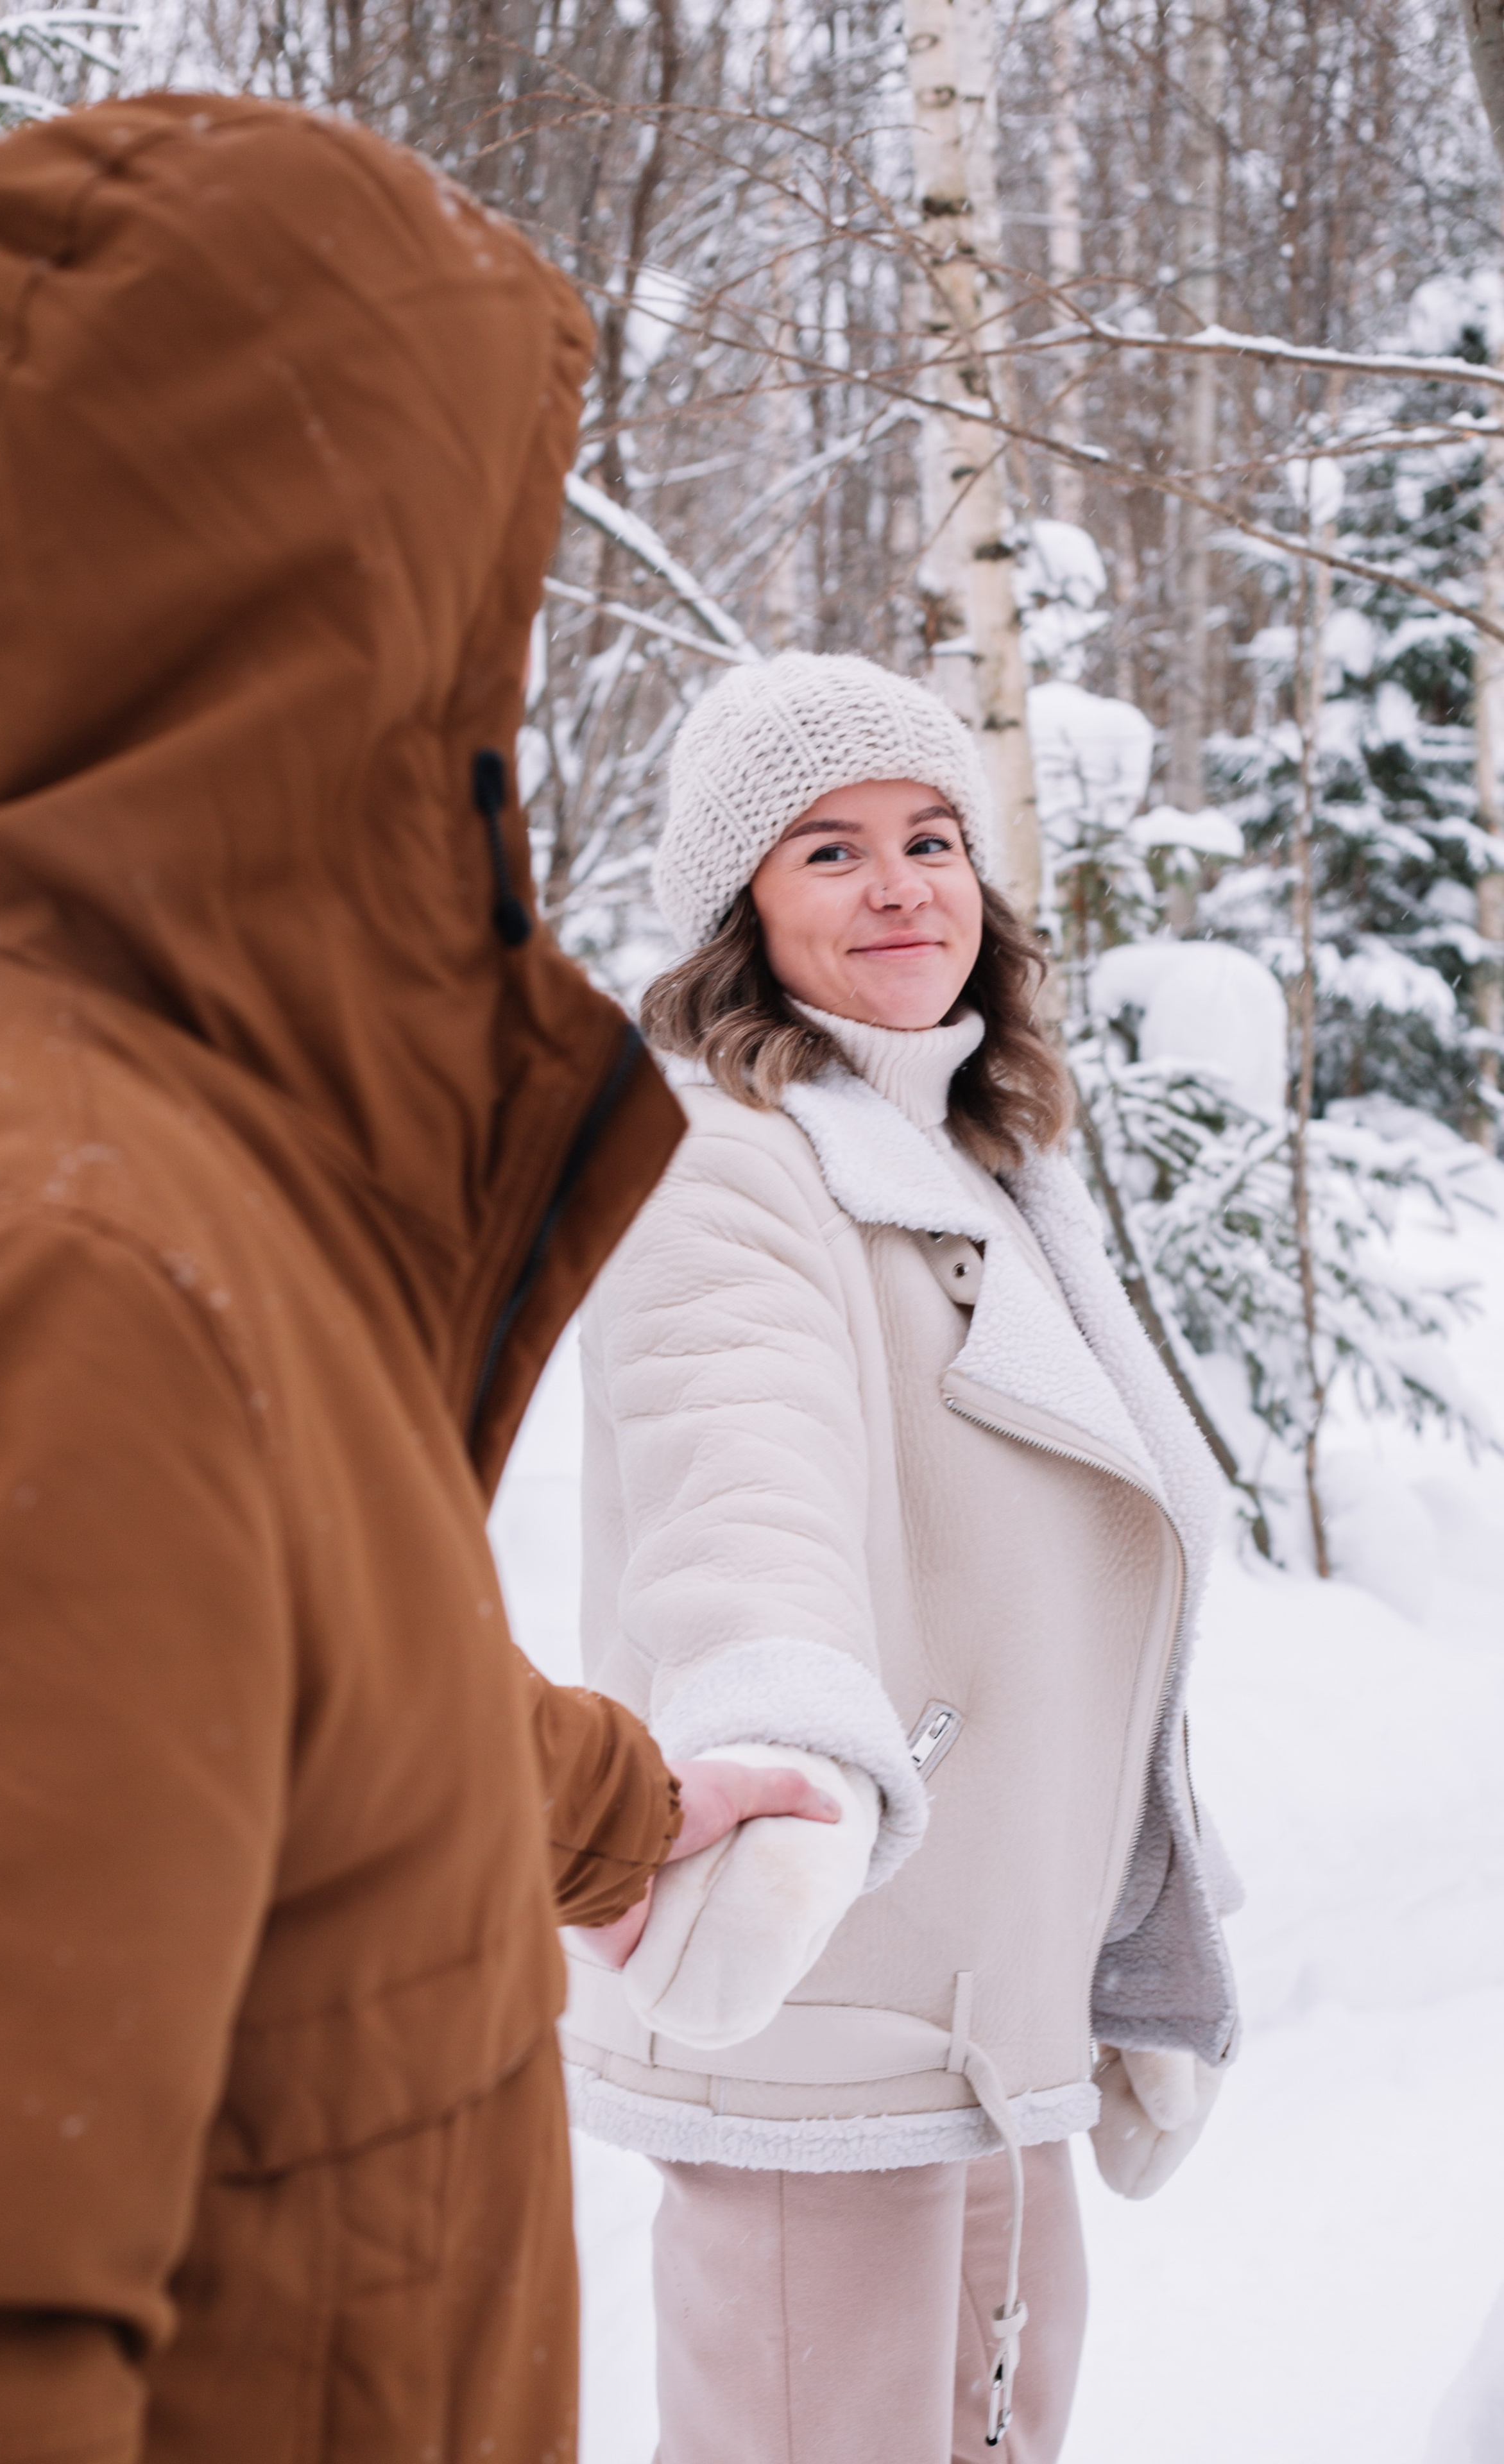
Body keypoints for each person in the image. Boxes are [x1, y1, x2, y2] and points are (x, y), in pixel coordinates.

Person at [0, 94, 836, 2463]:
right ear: (331, 621)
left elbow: (188, 1668)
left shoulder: (66, 1142)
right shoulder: (66, 1253)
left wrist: (615, 1810)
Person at [561, 652, 1244, 2462]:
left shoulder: (982, 1156)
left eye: (932, 837)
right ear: (742, 909)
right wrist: (783, 1735)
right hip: (835, 1974)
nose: (901, 886)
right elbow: (739, 1467)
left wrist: (1130, 1924)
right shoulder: (723, 1156)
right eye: (830, 850)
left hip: (985, 1989)